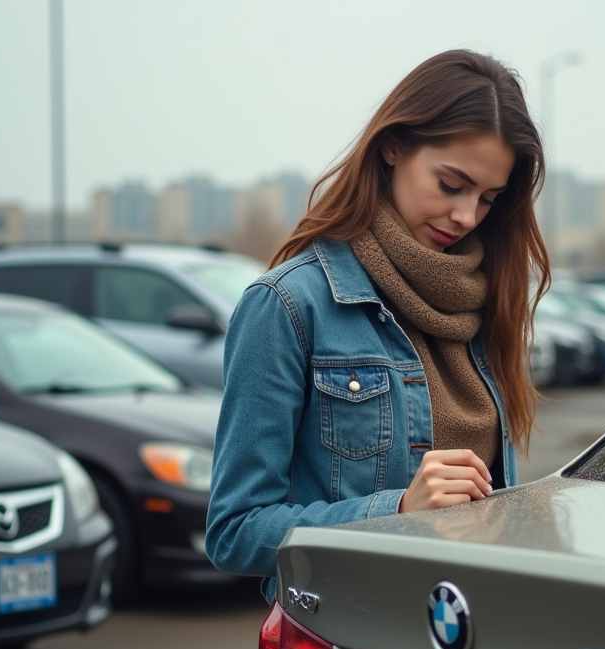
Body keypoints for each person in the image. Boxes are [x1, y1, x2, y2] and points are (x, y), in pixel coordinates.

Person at [205, 49, 549, 602]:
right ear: (394, 146)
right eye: (451, 184)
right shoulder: (290, 305)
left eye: (488, 198)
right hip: (354, 638)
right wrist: (397, 511)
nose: (467, 216)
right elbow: (233, 532)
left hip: (467, 630)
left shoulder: (482, 303)